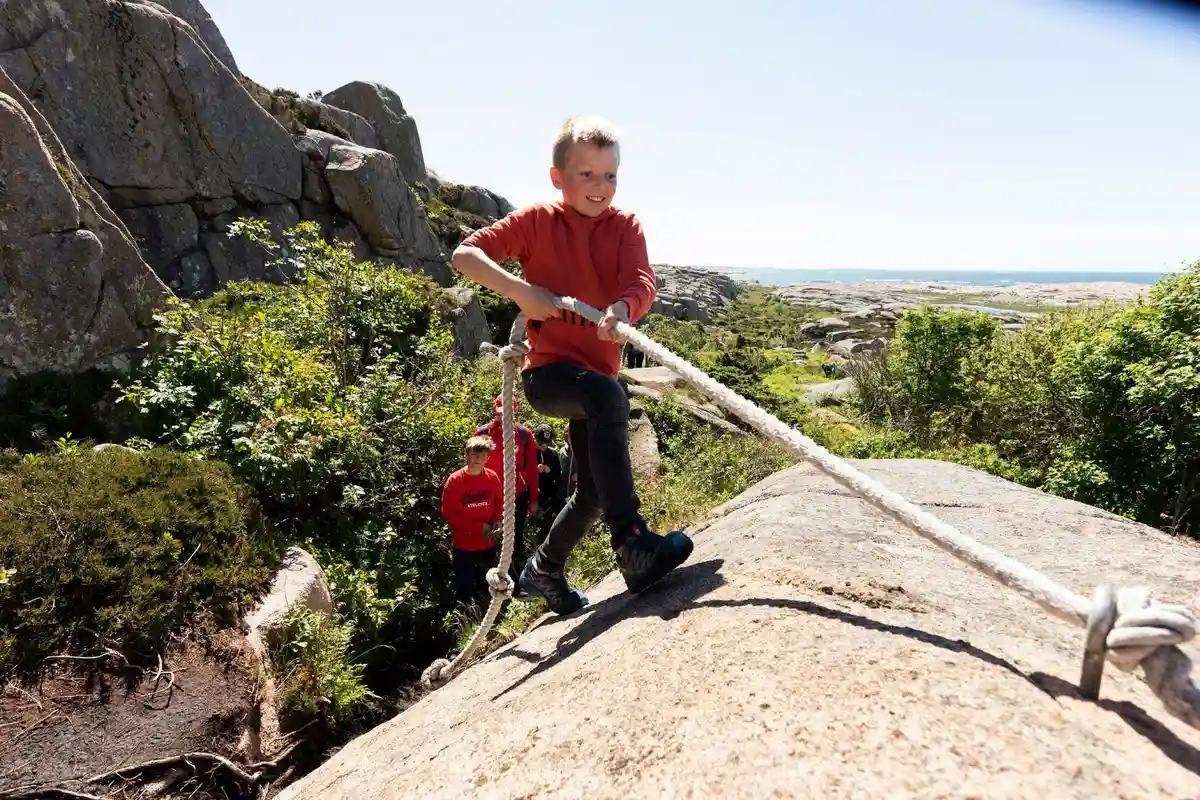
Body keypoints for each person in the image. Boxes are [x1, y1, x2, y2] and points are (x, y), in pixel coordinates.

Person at [450, 115, 693, 615]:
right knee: (610, 397)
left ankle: (543, 570)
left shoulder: (626, 226)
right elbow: (465, 255)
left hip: (595, 380)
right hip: (550, 375)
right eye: (586, 175)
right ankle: (633, 544)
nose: (600, 187)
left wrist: (624, 309)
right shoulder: (538, 222)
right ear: (558, 177)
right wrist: (522, 293)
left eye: (610, 176)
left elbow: (641, 281)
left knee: (590, 494)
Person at [475, 395, 540, 589]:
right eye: (500, 413)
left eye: (508, 413)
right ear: (495, 411)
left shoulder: (523, 434)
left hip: (516, 495)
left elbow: (531, 470)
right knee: (490, 539)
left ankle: (513, 582)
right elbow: (474, 465)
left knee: (514, 539)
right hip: (490, 497)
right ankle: (497, 583)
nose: (504, 417)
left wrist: (534, 500)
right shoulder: (483, 433)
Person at [440, 435, 503, 611]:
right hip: (464, 545)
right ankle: (464, 623)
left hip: (487, 543)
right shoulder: (455, 480)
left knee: (490, 582)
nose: (479, 460)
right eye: (475, 455)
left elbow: (499, 502)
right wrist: (478, 527)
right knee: (465, 587)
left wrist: (497, 520)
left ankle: (494, 615)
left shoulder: (492, 477)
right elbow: (449, 513)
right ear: (467, 455)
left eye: (483, 456)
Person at [532, 424, 564, 546]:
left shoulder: (552, 454)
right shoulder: (528, 452)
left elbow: (558, 475)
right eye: (541, 443)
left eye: (546, 444)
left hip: (548, 494)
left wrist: (549, 469)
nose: (543, 447)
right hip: (531, 494)